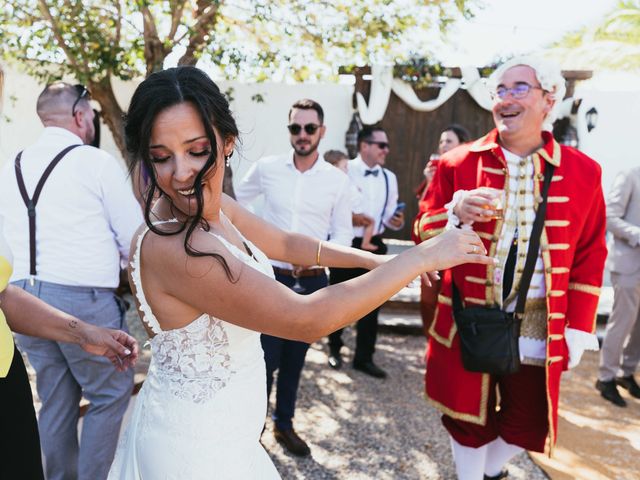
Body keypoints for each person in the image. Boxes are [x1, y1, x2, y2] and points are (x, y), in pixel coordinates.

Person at [106, 66, 492, 479]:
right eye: (161, 157)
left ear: (227, 142)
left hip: (224, 433)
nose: (181, 172)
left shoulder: (211, 206)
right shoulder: (179, 246)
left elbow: (290, 244)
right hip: (195, 450)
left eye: (197, 151)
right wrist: (419, 258)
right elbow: (304, 319)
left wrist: (372, 260)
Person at [413, 56, 607, 480]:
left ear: (548, 99)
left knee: (530, 420)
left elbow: (591, 252)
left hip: (542, 320)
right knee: (467, 416)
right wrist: (455, 214)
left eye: (519, 88)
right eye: (499, 90)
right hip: (469, 316)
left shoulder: (584, 172)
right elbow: (422, 233)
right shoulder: (456, 163)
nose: (506, 98)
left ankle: (487, 472)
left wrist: (577, 326)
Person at [0, 64, 138, 480]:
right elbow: (135, 240)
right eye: (93, 116)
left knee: (56, 402)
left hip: (21, 299)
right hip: (84, 301)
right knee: (110, 395)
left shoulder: (10, 165)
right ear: (80, 116)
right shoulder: (95, 163)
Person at [235, 99, 353, 457]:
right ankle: (249, 430)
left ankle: (283, 425)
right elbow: (237, 204)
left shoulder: (337, 181)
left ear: (322, 131)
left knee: (295, 359)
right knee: (264, 358)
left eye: (309, 128)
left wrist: (317, 255)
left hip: (313, 283)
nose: (302, 135)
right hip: (270, 279)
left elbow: (344, 235)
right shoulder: (267, 168)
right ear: (289, 130)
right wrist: (256, 246)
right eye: (295, 128)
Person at [327, 126, 404, 378]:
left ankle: (364, 358)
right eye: (381, 145)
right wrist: (352, 217)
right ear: (364, 146)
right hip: (346, 244)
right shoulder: (342, 170)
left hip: (376, 244)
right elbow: (330, 204)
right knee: (338, 299)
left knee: (373, 303)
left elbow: (390, 214)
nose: (386, 150)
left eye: (387, 146)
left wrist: (395, 222)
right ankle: (334, 347)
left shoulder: (390, 177)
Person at [415, 125, 470, 337]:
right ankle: (431, 341)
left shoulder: (464, 170)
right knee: (427, 298)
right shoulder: (435, 170)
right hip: (430, 247)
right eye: (441, 141)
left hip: (454, 245)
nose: (443, 145)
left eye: (448, 141)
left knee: (450, 298)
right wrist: (430, 181)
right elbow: (423, 207)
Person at [596, 166, 640, 407]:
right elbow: (609, 217)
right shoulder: (629, 175)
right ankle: (606, 377)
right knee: (622, 321)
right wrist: (637, 234)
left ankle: (626, 373)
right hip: (628, 263)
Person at [324, 149, 378, 252]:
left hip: (352, 217)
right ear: (334, 167)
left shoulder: (345, 181)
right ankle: (366, 243)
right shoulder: (335, 184)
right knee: (371, 222)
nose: (347, 170)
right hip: (351, 214)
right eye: (345, 167)